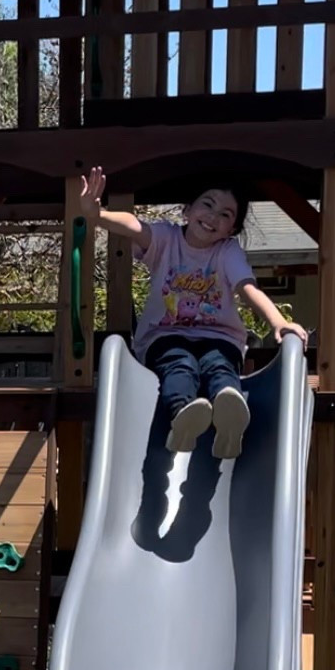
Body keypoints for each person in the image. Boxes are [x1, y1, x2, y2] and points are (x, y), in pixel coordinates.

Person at [80, 167, 309, 459]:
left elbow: (247, 287)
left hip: (219, 336)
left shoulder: (227, 252)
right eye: (208, 204)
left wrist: (279, 322)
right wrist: (98, 215)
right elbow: (134, 225)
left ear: (232, 229)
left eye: (226, 214)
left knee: (219, 363)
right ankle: (183, 416)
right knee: (179, 362)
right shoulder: (166, 239)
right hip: (165, 335)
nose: (214, 216)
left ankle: (229, 411)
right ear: (187, 210)